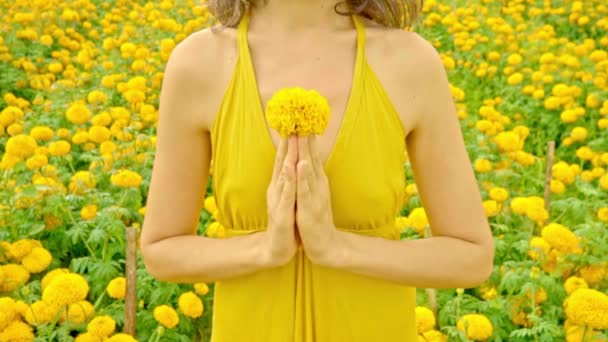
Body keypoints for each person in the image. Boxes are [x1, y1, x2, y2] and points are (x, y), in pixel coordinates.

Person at [140, 0, 495, 340]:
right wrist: (265, 249)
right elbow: (161, 248)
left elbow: (471, 255)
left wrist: (336, 247)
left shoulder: (410, 63)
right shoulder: (198, 64)